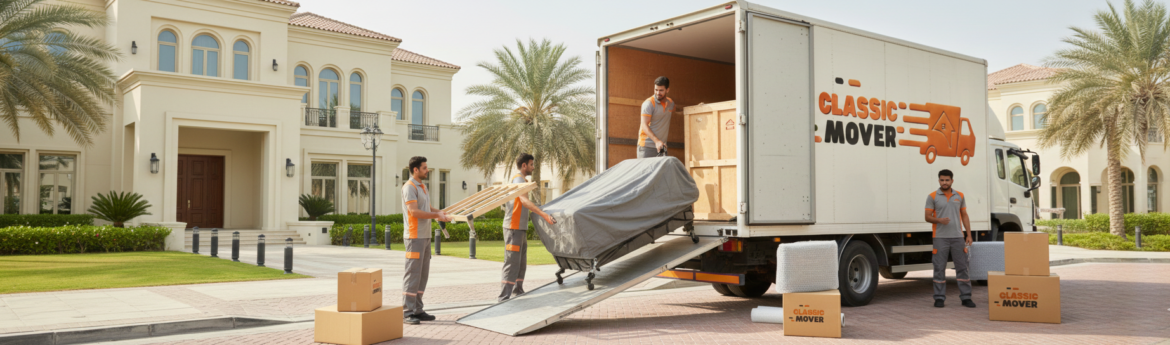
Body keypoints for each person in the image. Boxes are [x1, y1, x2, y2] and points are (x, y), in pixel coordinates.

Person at [498, 153, 556, 302]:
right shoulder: (518, 179)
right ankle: (503, 297)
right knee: (512, 261)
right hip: (513, 228)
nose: (533, 167)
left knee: (521, 262)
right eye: (531, 164)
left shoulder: (523, 180)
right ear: (524, 165)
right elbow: (524, 201)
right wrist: (543, 215)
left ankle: (518, 290)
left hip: (520, 228)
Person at [401, 156, 451, 324]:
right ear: (415, 170)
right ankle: (407, 312)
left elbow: (427, 208)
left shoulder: (422, 187)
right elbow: (414, 212)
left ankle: (417, 309)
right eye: (424, 168)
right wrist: (436, 215)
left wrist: (441, 213)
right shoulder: (409, 187)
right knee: (412, 274)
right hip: (414, 237)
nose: (427, 170)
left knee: (422, 275)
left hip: (425, 236)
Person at [924, 169, 975, 308]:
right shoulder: (932, 196)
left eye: (947, 180)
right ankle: (939, 298)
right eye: (942, 180)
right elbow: (927, 217)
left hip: (958, 237)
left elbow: (964, 215)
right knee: (939, 268)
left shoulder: (960, 195)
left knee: (962, 267)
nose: (944, 182)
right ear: (939, 180)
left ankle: (966, 298)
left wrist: (969, 235)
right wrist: (939, 220)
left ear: (952, 180)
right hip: (940, 238)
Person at [637, 76, 674, 158]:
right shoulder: (648, 104)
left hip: (661, 147)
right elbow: (644, 125)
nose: (658, 93)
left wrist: (696, 109)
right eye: (656, 90)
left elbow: (679, 112)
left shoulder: (670, 102)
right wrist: (657, 141)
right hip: (647, 147)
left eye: (661, 90)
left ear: (667, 90)